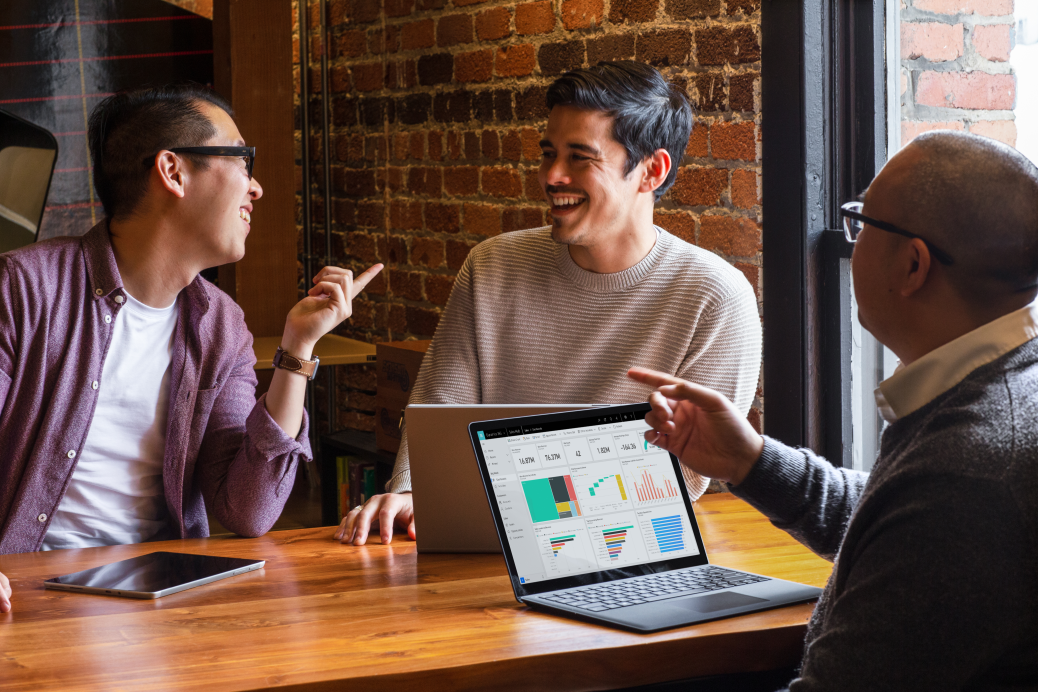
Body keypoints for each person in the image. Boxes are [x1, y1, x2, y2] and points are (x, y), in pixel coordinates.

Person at [630, 130, 1038, 690]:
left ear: (913, 265)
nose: (854, 240)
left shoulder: (969, 471)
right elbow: (896, 528)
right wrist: (750, 460)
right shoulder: (1001, 388)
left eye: (863, 222)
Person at [337, 60, 762, 546]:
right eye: (548, 153)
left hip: (623, 548)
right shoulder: (492, 265)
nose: (552, 176)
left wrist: (510, 506)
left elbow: (681, 478)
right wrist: (413, 490)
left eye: (580, 157)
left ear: (651, 171)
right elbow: (439, 406)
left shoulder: (715, 297)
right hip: (478, 543)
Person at [0, 85, 381, 613]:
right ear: (173, 171)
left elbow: (248, 510)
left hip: (165, 595)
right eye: (243, 160)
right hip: (24, 592)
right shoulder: (24, 288)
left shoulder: (221, 325)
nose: (258, 188)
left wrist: (297, 349)